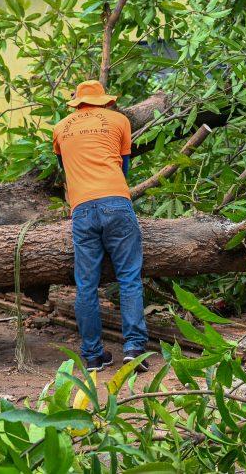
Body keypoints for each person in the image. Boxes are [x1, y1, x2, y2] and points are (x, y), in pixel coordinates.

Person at [53, 80, 149, 372]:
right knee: (129, 277)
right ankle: (134, 348)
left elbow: (64, 167)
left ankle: (93, 356)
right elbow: (124, 168)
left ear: (78, 102)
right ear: (104, 101)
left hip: (81, 209)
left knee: (86, 285)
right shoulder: (119, 120)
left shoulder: (61, 129)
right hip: (116, 202)